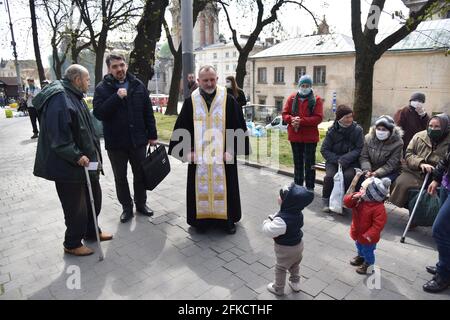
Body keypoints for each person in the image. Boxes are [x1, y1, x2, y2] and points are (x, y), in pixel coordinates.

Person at [33, 64, 112, 256]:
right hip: (70, 167)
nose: (88, 83)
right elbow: (58, 136)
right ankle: (72, 243)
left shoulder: (73, 95)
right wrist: (76, 155)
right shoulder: (60, 98)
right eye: (86, 80)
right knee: (76, 208)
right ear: (77, 80)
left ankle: (92, 232)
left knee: (95, 198)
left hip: (85, 164)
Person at [168, 65, 250, 234]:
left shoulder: (227, 99)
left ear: (217, 79)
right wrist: (186, 151)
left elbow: (238, 126)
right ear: (198, 81)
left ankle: (227, 221)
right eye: (205, 80)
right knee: (200, 188)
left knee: (226, 187)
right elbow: (182, 127)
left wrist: (232, 150)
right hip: (200, 159)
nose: (209, 83)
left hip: (223, 157)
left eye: (212, 79)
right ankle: (201, 222)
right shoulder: (192, 100)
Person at [93, 53, 158, 223]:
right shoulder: (101, 88)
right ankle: (126, 208)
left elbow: (148, 112)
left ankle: (141, 204)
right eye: (115, 66)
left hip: (138, 141)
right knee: (120, 177)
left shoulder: (138, 85)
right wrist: (116, 97)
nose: (119, 69)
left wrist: (152, 135)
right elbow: (99, 113)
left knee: (140, 175)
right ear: (109, 69)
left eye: (121, 65)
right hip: (116, 143)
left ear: (126, 66)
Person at [262, 183, 313, 296]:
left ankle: (278, 288)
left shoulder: (282, 220)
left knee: (281, 267)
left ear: (288, 203)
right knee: (294, 264)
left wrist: (266, 222)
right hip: (298, 246)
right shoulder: (297, 213)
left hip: (285, 249)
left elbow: (269, 231)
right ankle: (295, 283)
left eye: (281, 196)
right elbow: (285, 221)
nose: (278, 197)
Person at [390, 114, 450, 209]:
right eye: (430, 126)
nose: (433, 129)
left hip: (438, 176)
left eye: (437, 126)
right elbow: (408, 154)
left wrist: (437, 174)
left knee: (431, 196)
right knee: (401, 184)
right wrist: (420, 163)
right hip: (416, 172)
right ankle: (406, 209)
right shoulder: (419, 136)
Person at [282, 74, 323, 191]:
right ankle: (298, 185)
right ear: (299, 85)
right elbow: (285, 114)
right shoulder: (292, 98)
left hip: (310, 137)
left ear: (310, 86)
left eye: (307, 85)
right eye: (303, 85)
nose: (304, 87)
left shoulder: (316, 100)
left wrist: (301, 121)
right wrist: (291, 119)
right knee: (298, 162)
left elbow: (318, 118)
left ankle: (310, 187)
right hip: (295, 136)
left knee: (309, 164)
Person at [320, 105, 364, 212]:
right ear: (340, 118)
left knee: (348, 176)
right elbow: (324, 149)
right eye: (346, 117)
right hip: (333, 162)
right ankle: (326, 200)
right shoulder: (332, 130)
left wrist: (346, 158)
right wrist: (337, 159)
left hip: (351, 163)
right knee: (330, 177)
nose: (349, 119)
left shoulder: (357, 130)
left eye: (351, 117)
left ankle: (343, 201)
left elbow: (359, 149)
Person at [344, 177, 390, 274]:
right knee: (359, 245)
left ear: (371, 193)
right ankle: (361, 257)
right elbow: (347, 203)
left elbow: (378, 225)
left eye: (363, 189)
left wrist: (369, 235)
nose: (360, 190)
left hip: (369, 237)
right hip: (358, 231)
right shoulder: (360, 199)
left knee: (368, 251)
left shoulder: (379, 208)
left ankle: (369, 265)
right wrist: (352, 197)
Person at [423, 146, 450, 293]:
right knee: (447, 231)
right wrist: (437, 178)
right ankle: (444, 264)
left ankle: (444, 275)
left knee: (439, 230)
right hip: (447, 184)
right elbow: (447, 156)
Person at [359, 115, 404, 183]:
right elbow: (364, 156)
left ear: (390, 131)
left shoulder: (398, 143)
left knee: (380, 184)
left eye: (384, 129)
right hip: (370, 170)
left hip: (389, 172)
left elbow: (391, 164)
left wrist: (376, 173)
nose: (380, 132)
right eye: (378, 129)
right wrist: (367, 170)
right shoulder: (368, 138)